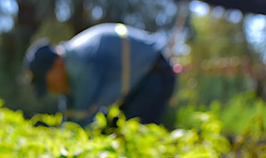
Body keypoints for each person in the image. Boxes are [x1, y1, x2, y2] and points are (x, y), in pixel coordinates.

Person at [24, 23, 176, 126]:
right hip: (138, 82)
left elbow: (82, 122)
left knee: (137, 136)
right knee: (117, 133)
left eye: (47, 81)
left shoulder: (81, 62)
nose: (50, 89)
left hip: (155, 74)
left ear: (56, 63)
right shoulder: (70, 65)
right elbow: (70, 115)